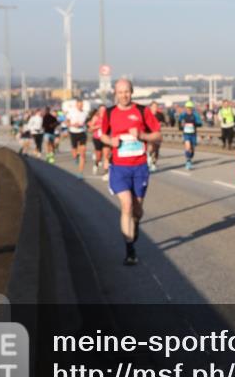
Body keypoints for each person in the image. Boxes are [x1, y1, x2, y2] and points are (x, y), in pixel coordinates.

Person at [99, 79, 163, 264]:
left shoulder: (142, 111)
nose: (124, 95)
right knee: (126, 205)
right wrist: (110, 142)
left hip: (140, 167)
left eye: (127, 91)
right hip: (119, 168)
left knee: (137, 209)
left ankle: (135, 223)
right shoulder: (110, 113)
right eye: (120, 92)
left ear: (132, 92)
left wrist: (142, 136)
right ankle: (130, 249)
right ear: (115, 94)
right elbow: (102, 134)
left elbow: (158, 135)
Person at [66, 98, 89, 178]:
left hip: (82, 133)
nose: (80, 106)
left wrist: (85, 125)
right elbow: (67, 122)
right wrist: (72, 125)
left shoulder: (85, 113)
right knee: (74, 151)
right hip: (73, 132)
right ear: (76, 105)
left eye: (82, 105)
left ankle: (80, 172)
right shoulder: (71, 112)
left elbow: (87, 122)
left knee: (83, 153)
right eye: (79, 105)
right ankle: (75, 157)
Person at [177, 100, 203, 170]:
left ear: (192, 108)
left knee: (192, 149)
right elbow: (179, 120)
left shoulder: (195, 114)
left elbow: (200, 123)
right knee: (187, 147)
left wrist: (195, 123)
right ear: (185, 108)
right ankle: (188, 161)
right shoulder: (183, 114)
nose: (188, 109)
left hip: (193, 134)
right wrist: (180, 127)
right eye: (187, 108)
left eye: (190, 108)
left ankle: (190, 158)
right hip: (186, 134)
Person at [89, 104, 110, 178]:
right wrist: (99, 126)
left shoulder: (108, 117)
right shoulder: (96, 117)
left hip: (106, 138)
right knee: (98, 156)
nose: (103, 111)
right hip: (97, 138)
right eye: (102, 110)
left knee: (106, 156)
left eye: (104, 110)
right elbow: (91, 128)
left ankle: (106, 172)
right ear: (99, 110)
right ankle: (96, 164)